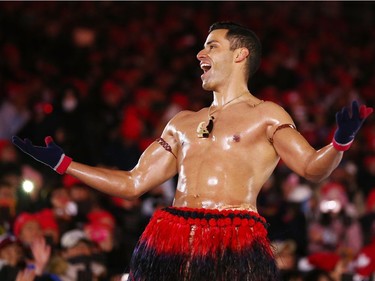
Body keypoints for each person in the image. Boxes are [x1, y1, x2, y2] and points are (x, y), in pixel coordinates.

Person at [11, 22, 373, 281]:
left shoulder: (266, 114)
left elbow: (312, 168)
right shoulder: (182, 121)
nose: (200, 53)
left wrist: (339, 142)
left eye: (212, 46)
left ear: (240, 54)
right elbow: (133, 182)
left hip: (233, 241)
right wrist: (65, 163)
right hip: (170, 236)